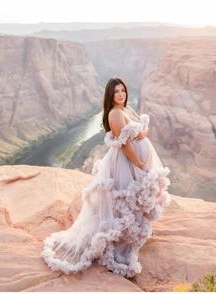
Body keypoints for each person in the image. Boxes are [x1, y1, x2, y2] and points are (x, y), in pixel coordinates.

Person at [41, 77, 171, 278]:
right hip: (126, 163)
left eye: (123, 90)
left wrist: (143, 134)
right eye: (116, 91)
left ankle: (129, 236)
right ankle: (118, 243)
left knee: (134, 201)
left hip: (134, 160)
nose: (121, 94)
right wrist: (137, 163)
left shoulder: (126, 110)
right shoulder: (115, 114)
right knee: (125, 201)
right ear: (110, 95)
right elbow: (124, 143)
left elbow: (143, 128)